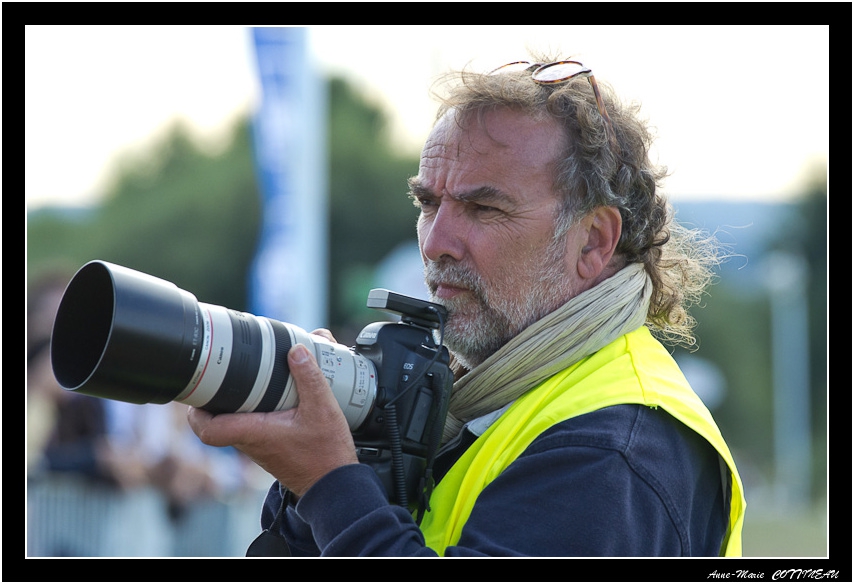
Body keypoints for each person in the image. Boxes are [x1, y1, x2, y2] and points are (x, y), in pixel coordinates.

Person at [188, 56, 746, 557]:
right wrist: (327, 473)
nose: (435, 243)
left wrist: (330, 484)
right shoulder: (483, 396)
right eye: (428, 203)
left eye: (483, 209)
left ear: (593, 242)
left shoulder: (611, 447)